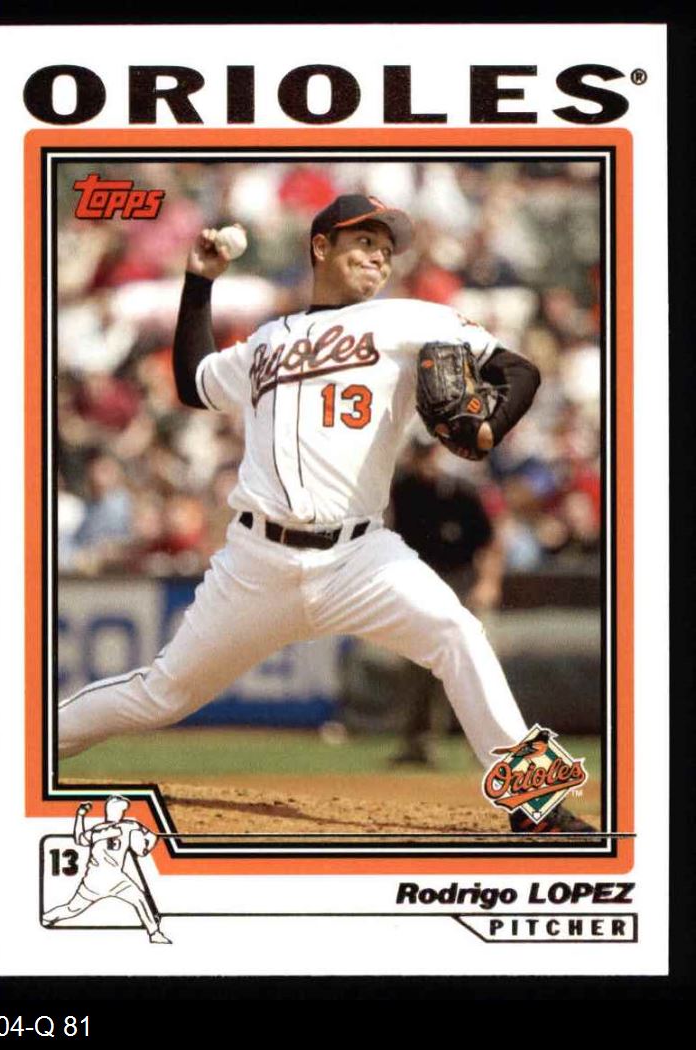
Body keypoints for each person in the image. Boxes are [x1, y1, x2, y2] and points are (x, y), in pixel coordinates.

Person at [58, 193, 592, 834]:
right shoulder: (264, 341)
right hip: (256, 563)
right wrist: (199, 282)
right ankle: (29, 746)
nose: (379, 258)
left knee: (456, 633)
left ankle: (536, 807)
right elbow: (194, 381)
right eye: (364, 242)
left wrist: (490, 428)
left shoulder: (409, 319)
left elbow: (518, 369)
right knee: (161, 695)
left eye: (386, 250)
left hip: (359, 557)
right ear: (321, 247)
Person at [388, 439, 504, 765]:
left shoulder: (462, 491)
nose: (424, 461)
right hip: (421, 581)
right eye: (418, 454)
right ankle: (417, 747)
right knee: (417, 665)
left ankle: (490, 749)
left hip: (462, 581)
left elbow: (491, 543)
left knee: (477, 662)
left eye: (428, 453)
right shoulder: (403, 489)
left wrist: (488, 583)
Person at [42, 796, 170, 943]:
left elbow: (79, 839)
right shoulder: (130, 826)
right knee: (139, 899)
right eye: (123, 810)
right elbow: (143, 849)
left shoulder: (96, 829)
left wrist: (80, 815)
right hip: (115, 879)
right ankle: (154, 934)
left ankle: (46, 918)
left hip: (95, 880)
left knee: (72, 909)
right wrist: (152, 840)